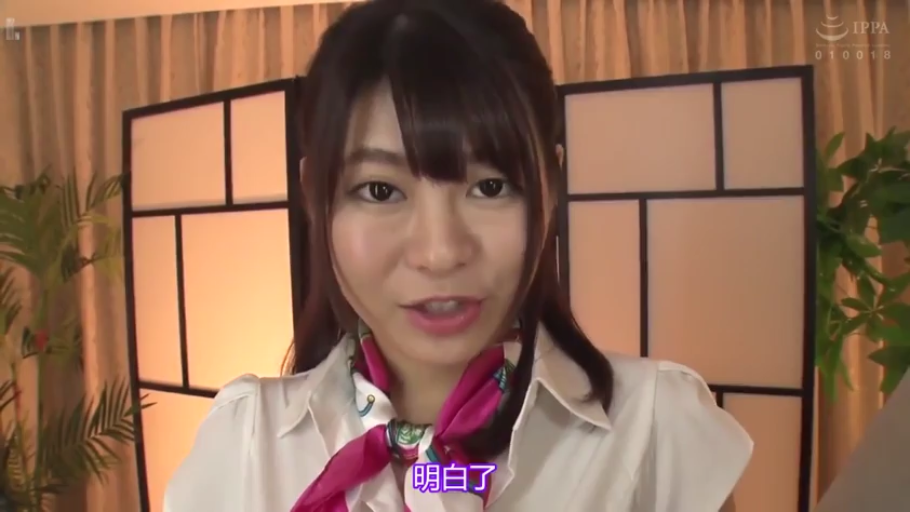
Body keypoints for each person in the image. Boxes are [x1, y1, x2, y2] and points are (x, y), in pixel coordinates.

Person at [164, 0, 752, 510]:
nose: (440, 253)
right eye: (380, 190)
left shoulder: (657, 433)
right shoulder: (243, 447)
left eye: (490, 187)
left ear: (550, 189)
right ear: (314, 198)